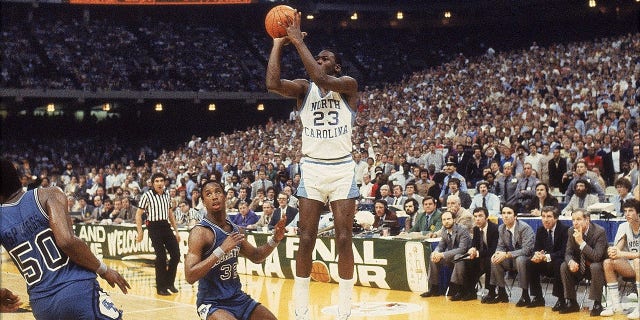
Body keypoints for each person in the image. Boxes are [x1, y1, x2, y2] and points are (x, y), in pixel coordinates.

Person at [266, 10, 359, 320]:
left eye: (325, 58)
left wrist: (297, 41)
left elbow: (322, 79)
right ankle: (301, 308)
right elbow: (271, 83)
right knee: (306, 238)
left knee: (344, 238)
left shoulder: (347, 85)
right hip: (314, 169)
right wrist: (280, 42)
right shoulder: (304, 90)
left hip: (343, 169)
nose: (319, 61)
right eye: (317, 57)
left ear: (337, 66)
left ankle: (345, 308)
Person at [0, 158, 130, 319]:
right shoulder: (49, 194)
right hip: (77, 291)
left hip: (42, 305)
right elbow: (66, 241)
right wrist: (104, 270)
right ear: (17, 176)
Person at [184, 180, 286, 320]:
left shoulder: (235, 230)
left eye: (218, 192)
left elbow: (256, 256)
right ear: (203, 201)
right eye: (208, 194)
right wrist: (221, 250)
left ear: (225, 196)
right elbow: (190, 276)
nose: (214, 196)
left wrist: (275, 239)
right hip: (211, 303)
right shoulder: (200, 232)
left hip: (238, 298)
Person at [135, 172, 181, 296]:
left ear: (164, 182)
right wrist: (140, 232)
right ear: (153, 183)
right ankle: (161, 287)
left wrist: (176, 231)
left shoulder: (167, 195)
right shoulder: (147, 195)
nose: (160, 183)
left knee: (176, 255)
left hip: (165, 226)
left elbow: (170, 214)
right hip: (154, 227)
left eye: (161, 181)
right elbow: (138, 214)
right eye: (157, 181)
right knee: (161, 257)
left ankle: (169, 283)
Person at [558, 209, 608, 316]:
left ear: (587, 220)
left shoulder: (599, 232)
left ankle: (597, 304)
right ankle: (571, 302)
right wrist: (571, 262)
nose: (575, 223)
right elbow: (568, 253)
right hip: (580, 266)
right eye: (573, 220)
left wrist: (581, 242)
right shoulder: (571, 231)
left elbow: (597, 256)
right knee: (564, 266)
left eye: (579, 219)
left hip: (597, 268)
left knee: (595, 266)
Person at [485, 205, 535, 306]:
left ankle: (525, 295)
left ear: (515, 216)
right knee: (495, 259)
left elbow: (527, 250)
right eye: (503, 213)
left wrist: (507, 255)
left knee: (520, 260)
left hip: (527, 258)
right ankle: (502, 292)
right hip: (511, 259)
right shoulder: (501, 228)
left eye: (509, 213)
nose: (505, 216)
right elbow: (500, 246)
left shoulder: (524, 228)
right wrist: (497, 253)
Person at [600, 199, 640, 318]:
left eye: (631, 211)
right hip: (633, 265)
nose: (627, 214)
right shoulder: (623, 226)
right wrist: (613, 251)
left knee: (638, 261)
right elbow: (618, 249)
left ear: (638, 213)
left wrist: (621, 254)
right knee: (608, 262)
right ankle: (614, 305)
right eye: (625, 211)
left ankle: (639, 307)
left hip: (638, 263)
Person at [525, 206, 569, 309]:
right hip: (546, 262)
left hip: (559, 262)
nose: (545, 219)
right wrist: (537, 255)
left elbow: (564, 252)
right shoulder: (541, 230)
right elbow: (537, 248)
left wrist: (546, 257)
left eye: (549, 216)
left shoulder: (565, 230)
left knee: (559, 263)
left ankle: (561, 299)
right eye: (543, 216)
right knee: (530, 262)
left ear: (556, 218)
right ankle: (538, 297)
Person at [420, 211, 471, 299]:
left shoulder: (462, 229)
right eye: (444, 219)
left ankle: (459, 290)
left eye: (448, 219)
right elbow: (441, 246)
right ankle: (434, 288)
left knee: (457, 257)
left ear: (454, 220)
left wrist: (442, 255)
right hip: (451, 257)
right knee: (434, 256)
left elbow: (462, 249)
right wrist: (436, 252)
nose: (446, 221)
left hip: (465, 257)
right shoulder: (444, 230)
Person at [465, 207, 500, 303]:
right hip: (482, 256)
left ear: (487, 217)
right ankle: (470, 291)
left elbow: (493, 249)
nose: (477, 219)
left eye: (480, 216)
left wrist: (478, 253)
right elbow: (475, 244)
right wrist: (472, 249)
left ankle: (491, 292)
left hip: (493, 255)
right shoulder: (476, 229)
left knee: (489, 261)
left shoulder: (494, 229)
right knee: (468, 260)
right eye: (475, 216)